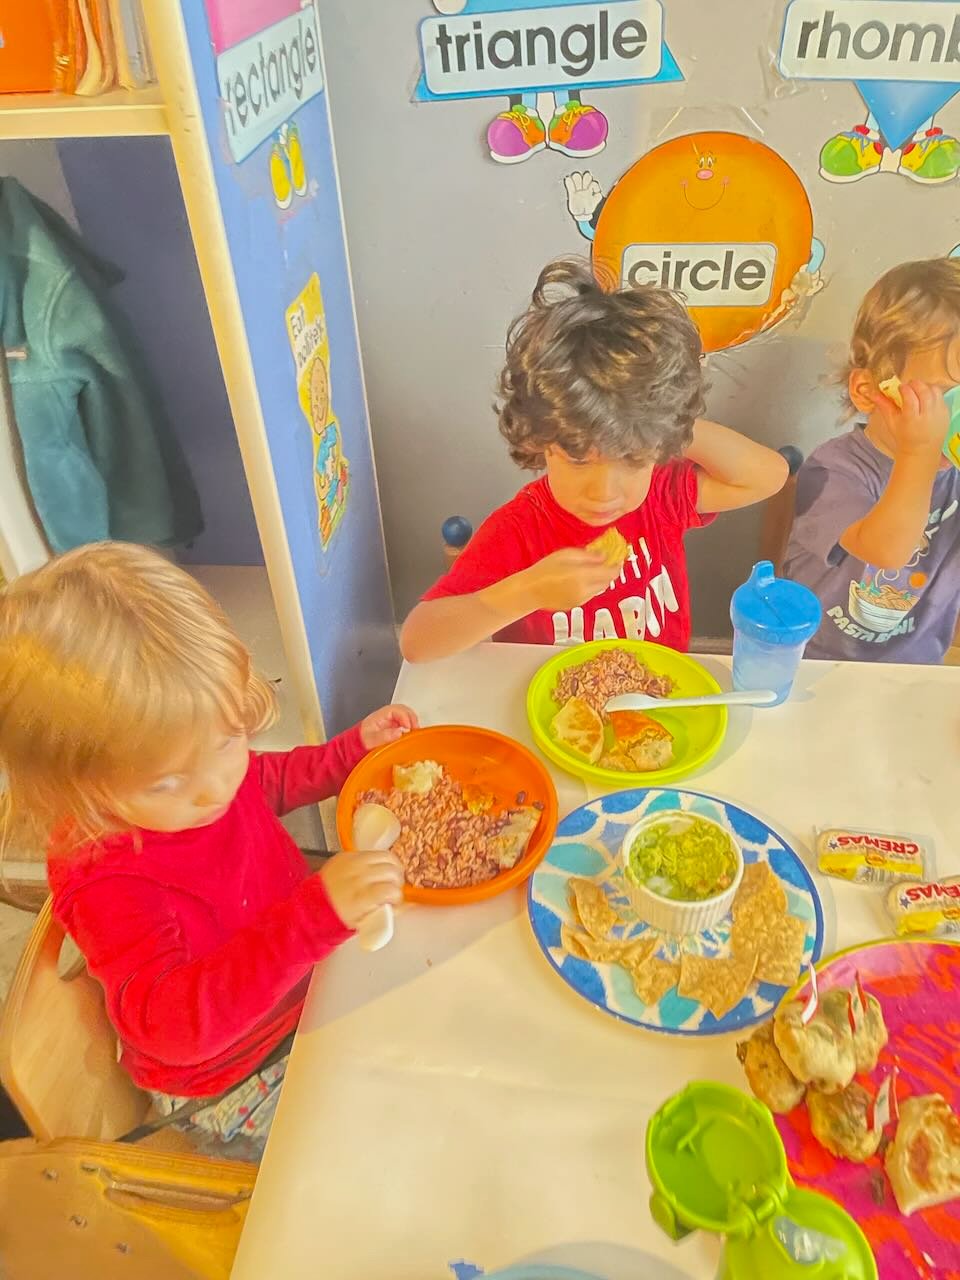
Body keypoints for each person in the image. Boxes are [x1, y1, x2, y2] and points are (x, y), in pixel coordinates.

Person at [0, 543, 413, 1154]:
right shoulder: (109, 880)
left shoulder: (197, 776)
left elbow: (264, 782)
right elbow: (174, 1030)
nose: (215, 787)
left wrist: (348, 754)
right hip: (236, 1074)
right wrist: (311, 919)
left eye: (227, 741)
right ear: (76, 788)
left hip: (299, 988)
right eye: (167, 782)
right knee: (378, 1143)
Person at [400, 258, 789, 661]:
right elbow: (417, 642)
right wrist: (525, 592)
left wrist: (662, 421)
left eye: (632, 459)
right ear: (540, 441)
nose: (604, 493)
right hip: (548, 696)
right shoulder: (519, 532)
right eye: (579, 460)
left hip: (656, 691)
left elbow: (768, 477)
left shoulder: (661, 497)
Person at [783, 258, 960, 663]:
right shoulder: (834, 471)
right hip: (818, 661)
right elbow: (887, 551)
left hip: (916, 667)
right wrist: (919, 452)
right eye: (943, 396)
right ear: (869, 391)